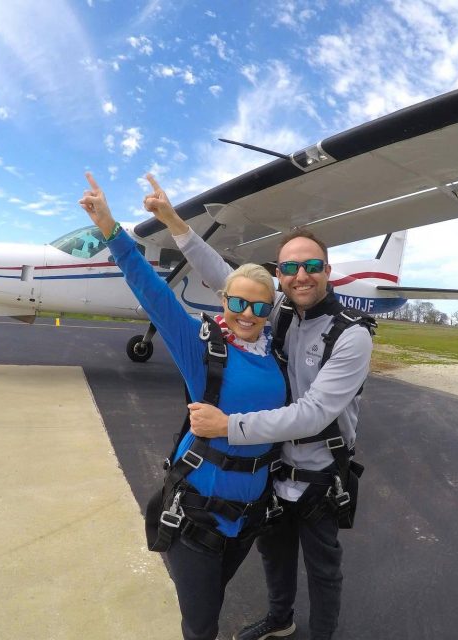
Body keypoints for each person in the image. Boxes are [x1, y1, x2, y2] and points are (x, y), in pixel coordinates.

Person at [142, 174, 374, 640]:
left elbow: (313, 413)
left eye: (312, 265)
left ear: (328, 270)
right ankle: (280, 619)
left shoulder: (352, 334)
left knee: (323, 565)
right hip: (273, 467)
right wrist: (174, 222)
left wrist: (230, 425)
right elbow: (225, 278)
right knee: (274, 553)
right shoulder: (280, 310)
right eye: (290, 269)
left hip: (319, 470)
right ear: (281, 275)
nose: (300, 276)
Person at [78, 173, 287, 640]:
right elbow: (153, 293)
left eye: (259, 307)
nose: (248, 314)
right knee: (202, 624)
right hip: (196, 515)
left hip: (248, 517)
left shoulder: (275, 350)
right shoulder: (202, 344)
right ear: (223, 300)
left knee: (213, 600)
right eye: (238, 302)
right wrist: (111, 228)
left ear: (270, 312)